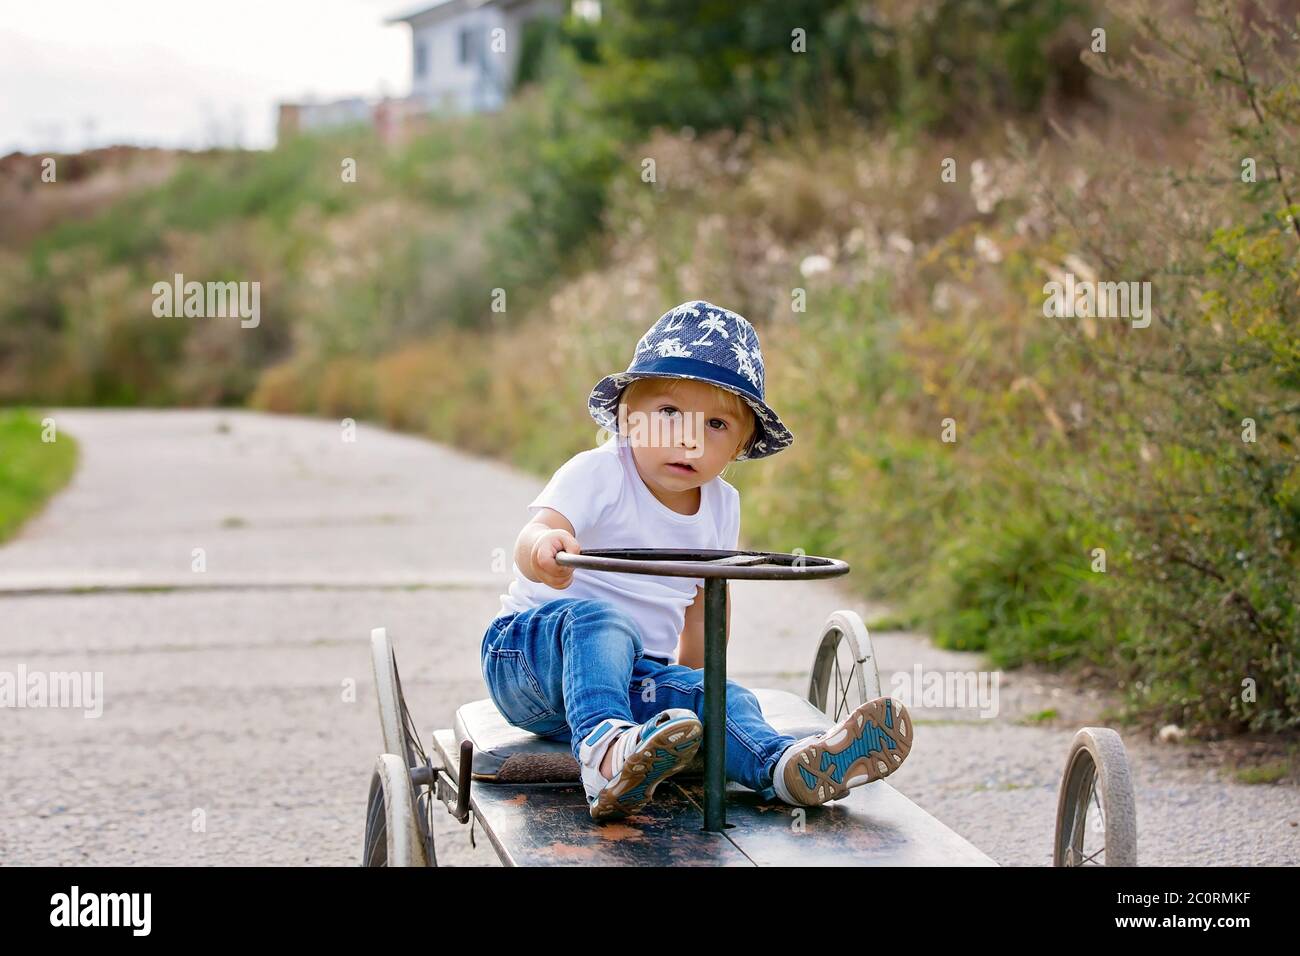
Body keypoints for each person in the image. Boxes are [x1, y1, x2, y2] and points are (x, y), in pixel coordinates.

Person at [482, 300, 913, 821]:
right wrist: (543, 551)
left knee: (721, 697)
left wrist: (691, 691)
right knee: (599, 617)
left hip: (634, 676)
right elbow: (541, 530)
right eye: (668, 413)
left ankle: (786, 768)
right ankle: (604, 755)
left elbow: (706, 600)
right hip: (531, 660)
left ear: (741, 445)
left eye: (714, 424)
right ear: (627, 418)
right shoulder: (598, 473)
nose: (689, 438)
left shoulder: (722, 505)